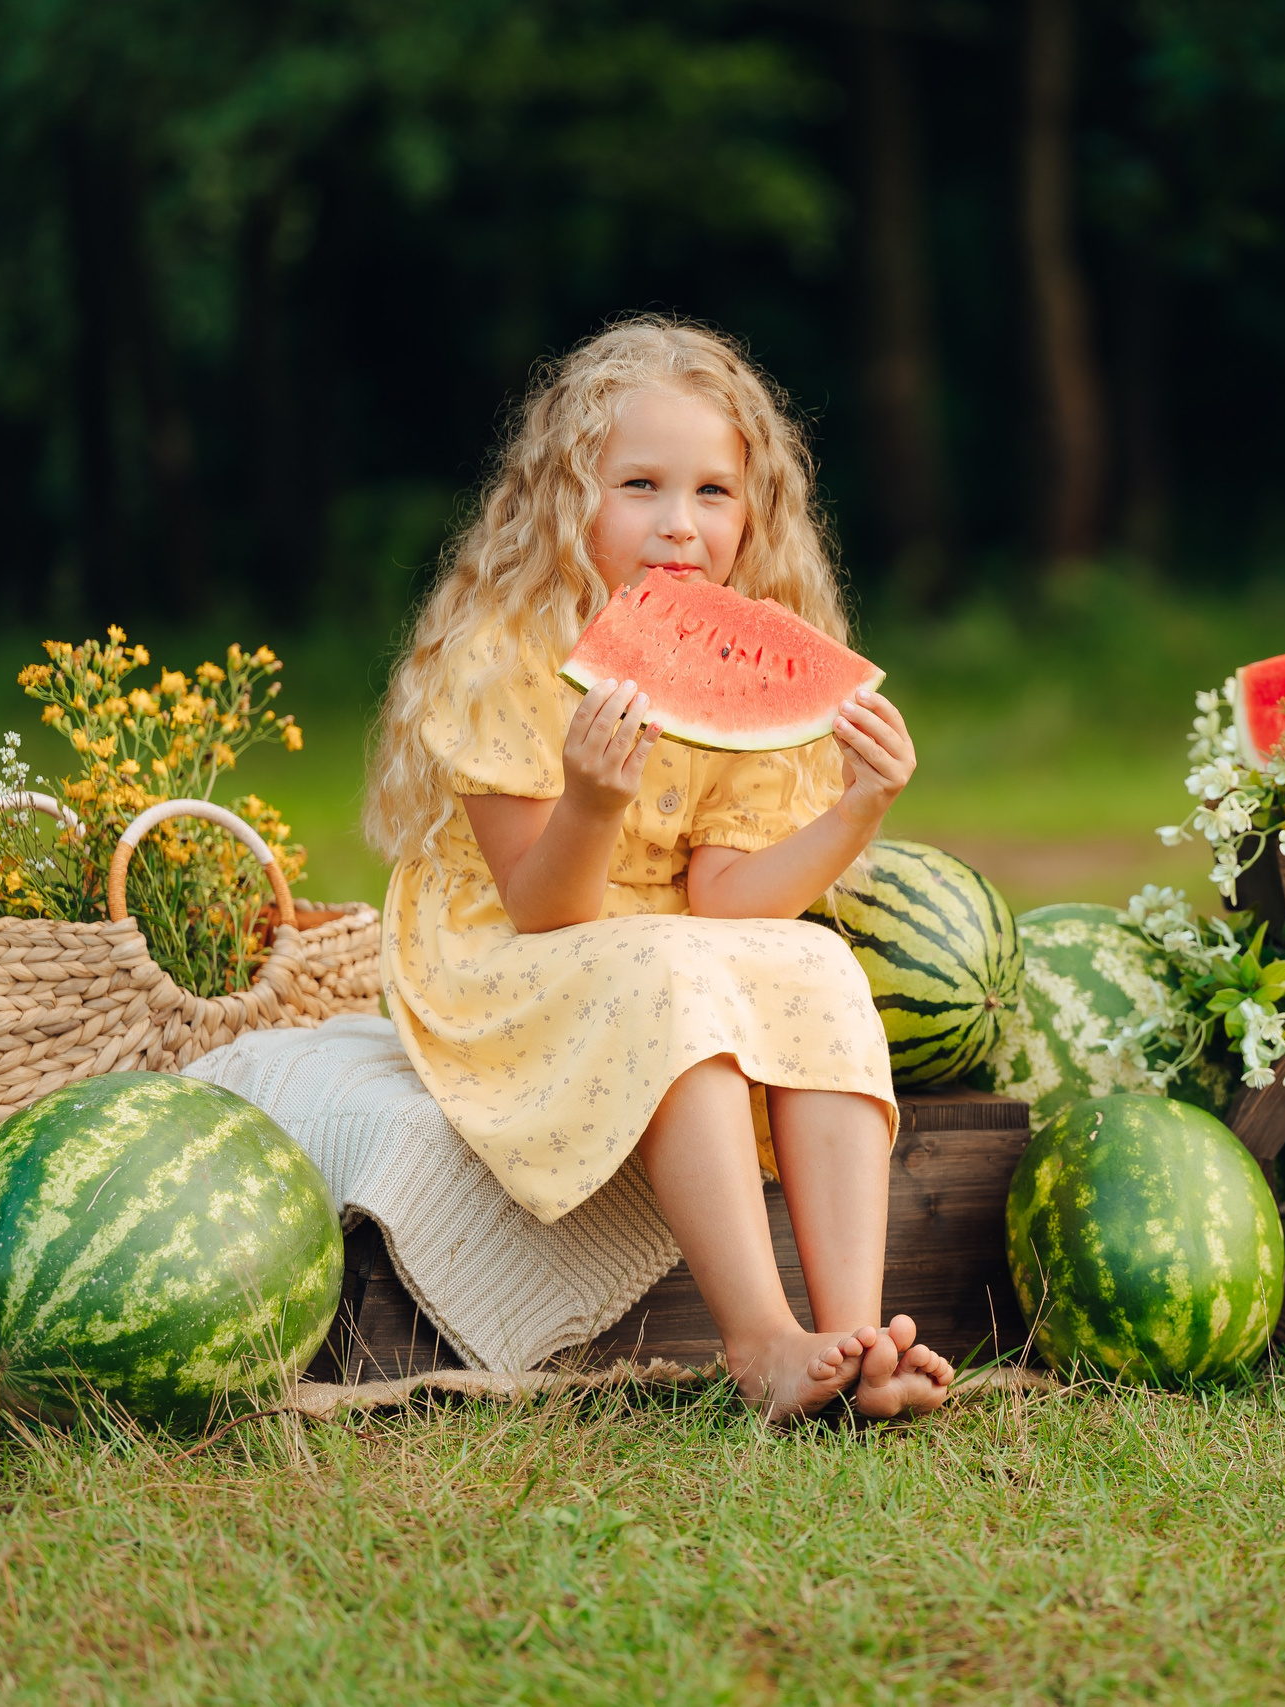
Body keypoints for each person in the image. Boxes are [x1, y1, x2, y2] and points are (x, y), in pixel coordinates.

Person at [364, 316, 949, 1422]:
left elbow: (728, 901)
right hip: (504, 952)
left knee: (819, 967)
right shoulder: (499, 652)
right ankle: (762, 1344)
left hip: (667, 938)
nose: (678, 526)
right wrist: (591, 799)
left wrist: (859, 809)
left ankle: (857, 1336)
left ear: (755, 512)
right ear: (563, 498)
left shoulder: (748, 645)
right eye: (639, 484)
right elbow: (543, 910)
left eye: (714, 494)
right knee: (672, 979)